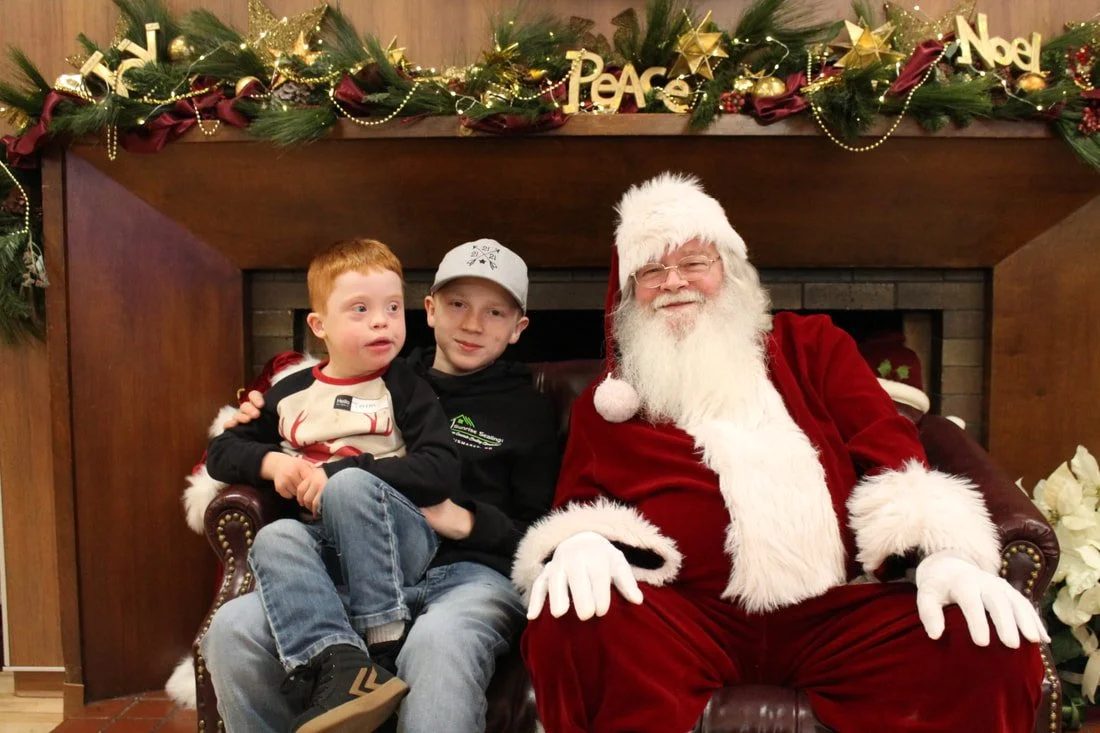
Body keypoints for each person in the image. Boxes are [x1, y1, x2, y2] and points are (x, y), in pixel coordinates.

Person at [513, 173, 1048, 733]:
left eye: (694, 261)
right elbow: (579, 501)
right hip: (685, 620)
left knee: (986, 642)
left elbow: (888, 444)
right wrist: (584, 543)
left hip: (834, 612)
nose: (674, 282)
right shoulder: (611, 401)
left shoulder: (813, 347)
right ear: (627, 294)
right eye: (650, 270)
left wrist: (939, 552)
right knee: (571, 616)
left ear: (729, 272)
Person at [203, 239, 560, 733]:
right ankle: (345, 670)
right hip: (352, 568)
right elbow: (275, 426)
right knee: (232, 629)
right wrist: (260, 444)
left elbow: (542, 536)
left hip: (469, 576)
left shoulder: (532, 410)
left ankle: (380, 655)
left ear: (518, 328)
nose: (473, 324)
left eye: (494, 311)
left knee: (439, 639)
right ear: (428, 310)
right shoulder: (379, 374)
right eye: (458, 304)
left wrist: (468, 521)